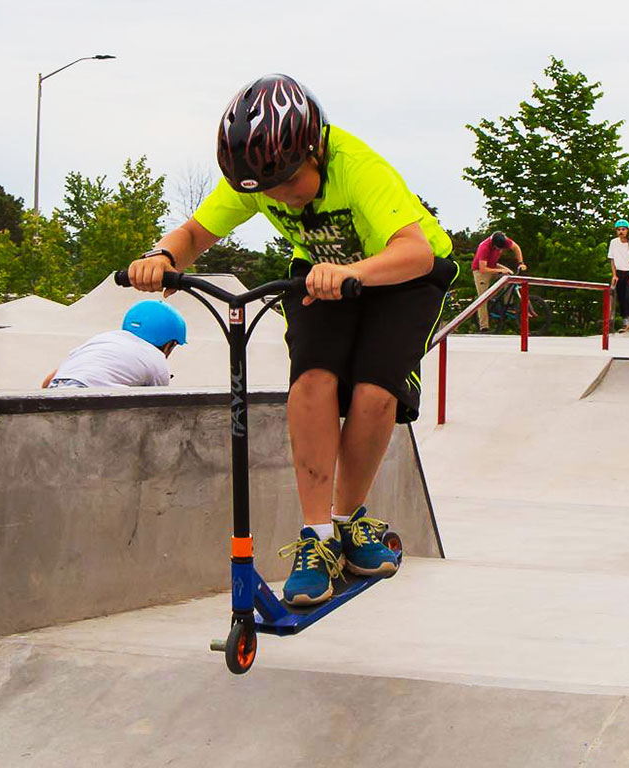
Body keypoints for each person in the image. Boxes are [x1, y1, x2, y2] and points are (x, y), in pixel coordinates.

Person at [127, 73, 458, 606]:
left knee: (375, 392)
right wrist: (161, 258)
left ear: (315, 151)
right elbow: (195, 234)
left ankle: (349, 521)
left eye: (287, 185)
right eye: (268, 192)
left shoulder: (358, 167)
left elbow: (416, 251)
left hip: (404, 275)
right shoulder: (254, 177)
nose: (281, 199)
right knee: (311, 381)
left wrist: (352, 273)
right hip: (322, 272)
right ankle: (317, 539)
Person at [41, 300, 186, 389]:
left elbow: (47, 382)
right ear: (169, 344)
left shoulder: (102, 339)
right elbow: (159, 408)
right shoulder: (157, 360)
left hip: (56, 391)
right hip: (93, 405)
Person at [471, 231, 526, 332]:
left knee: (510, 276)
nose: (500, 250)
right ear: (493, 243)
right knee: (483, 298)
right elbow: (483, 269)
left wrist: (520, 263)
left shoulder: (503, 240)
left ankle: (507, 304)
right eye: (497, 248)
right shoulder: (484, 247)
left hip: (493, 265)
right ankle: (484, 326)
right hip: (480, 271)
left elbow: (516, 248)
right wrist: (500, 270)